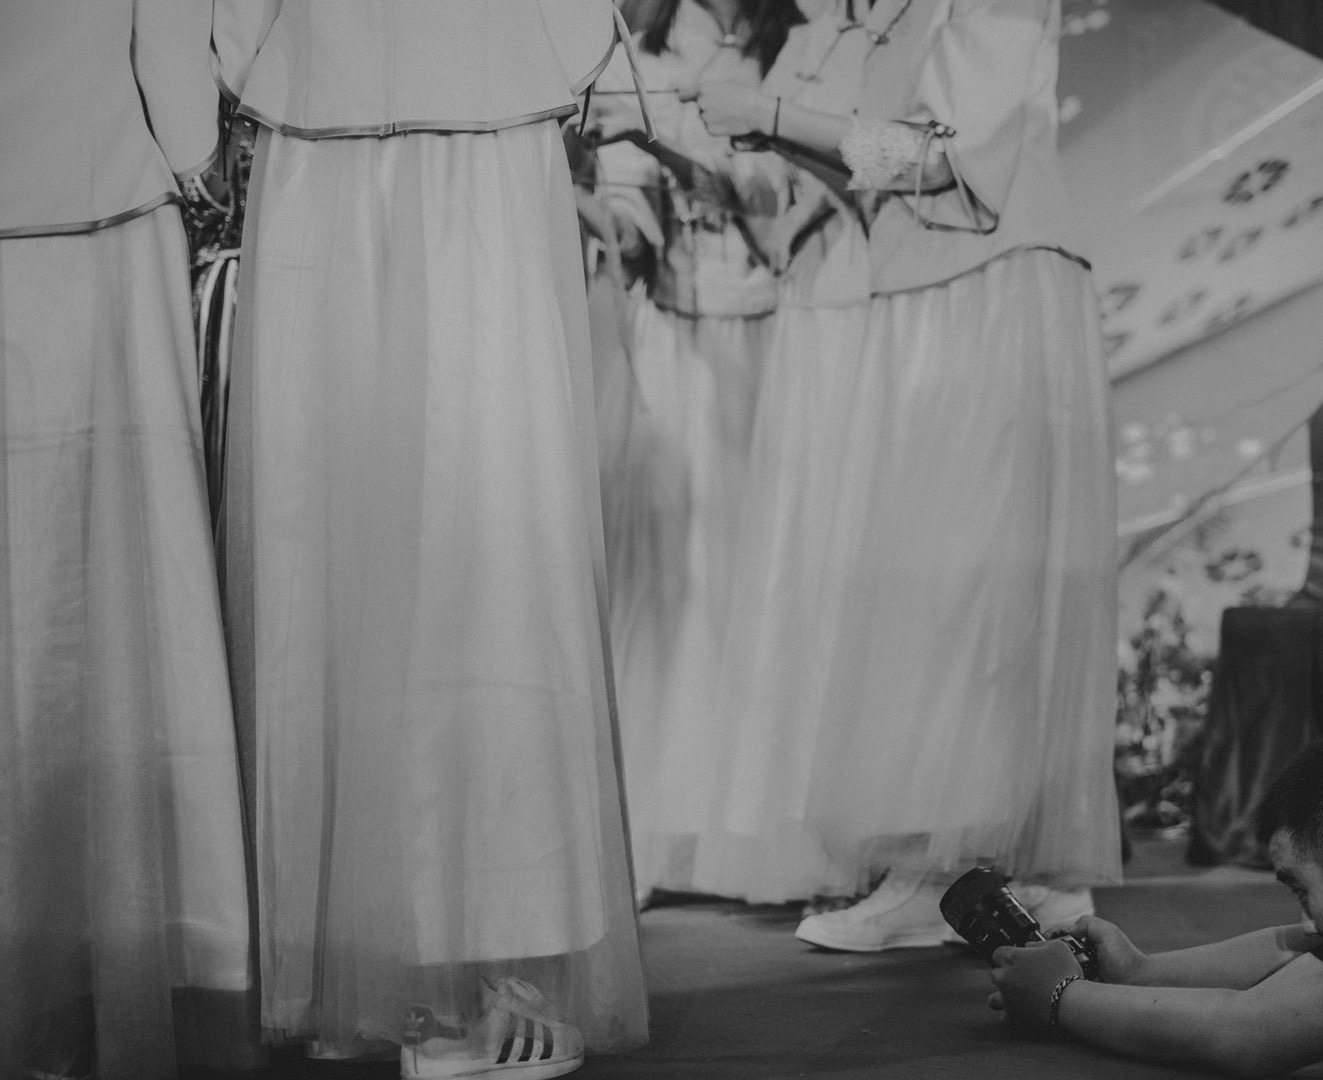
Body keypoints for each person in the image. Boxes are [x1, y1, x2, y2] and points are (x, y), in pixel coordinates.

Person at [213, 2, 649, 1075]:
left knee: (461, 511)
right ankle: (424, 963)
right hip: (379, 101)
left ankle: (466, 957)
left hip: (407, 107)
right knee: (398, 513)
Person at [686, 0, 1121, 931]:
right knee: (927, 589)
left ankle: (950, 871)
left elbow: (944, 158)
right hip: (923, 289)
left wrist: (772, 115)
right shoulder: (894, 19)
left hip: (987, 287)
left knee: (966, 587)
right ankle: (970, 869)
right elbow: (882, 165)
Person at [0, 3, 257, 1079]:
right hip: (102, 204)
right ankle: (114, 942)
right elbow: (171, 56)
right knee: (118, 589)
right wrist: (204, 166)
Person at [577, 0, 801, 901]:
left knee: (767, 578)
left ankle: (770, 830)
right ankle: (665, 828)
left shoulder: (800, 44)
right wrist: (602, 213)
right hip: (676, 339)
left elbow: (791, 194)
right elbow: (631, 217)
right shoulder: (638, 55)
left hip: (782, 335)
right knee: (679, 584)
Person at [989, 734, 1323, 1076]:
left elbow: (1250, 1033)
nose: (1304, 916)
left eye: (1301, 889)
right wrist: (1136, 972)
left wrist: (1058, 997)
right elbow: (1307, 948)